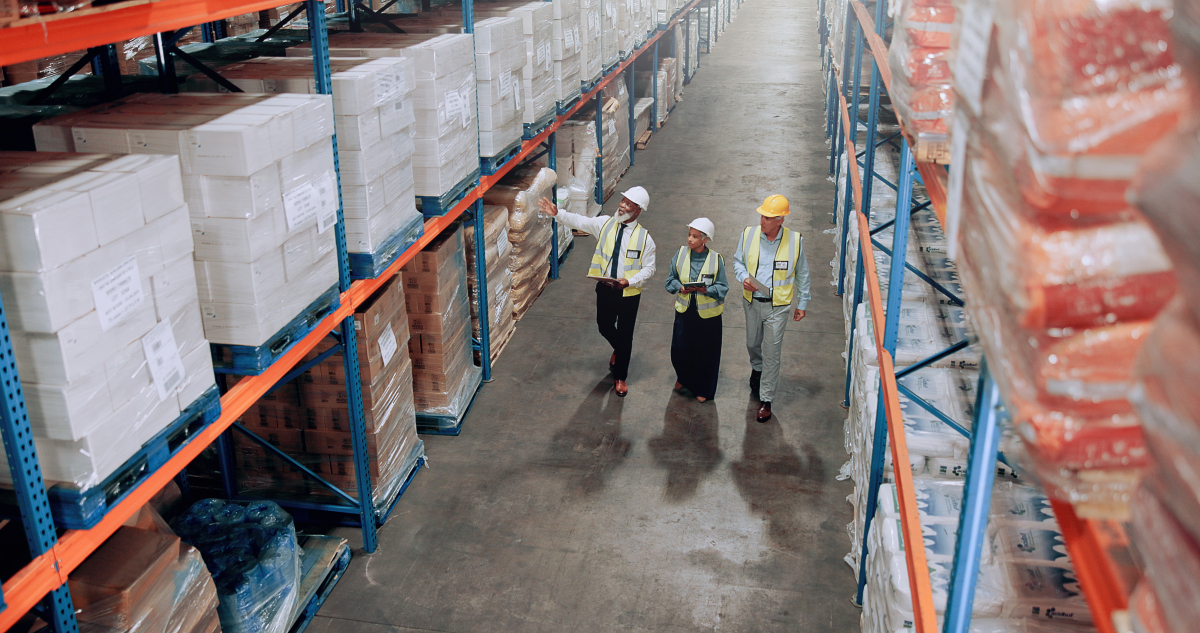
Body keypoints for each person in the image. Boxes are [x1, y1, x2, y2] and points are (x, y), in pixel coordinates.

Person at [538, 186, 657, 397]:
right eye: (623, 201)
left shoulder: (645, 239)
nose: (622, 205)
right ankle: (619, 350)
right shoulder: (604, 224)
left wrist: (629, 281)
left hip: (629, 294)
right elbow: (580, 222)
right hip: (605, 288)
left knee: (626, 335)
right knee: (604, 326)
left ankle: (620, 377)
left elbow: (650, 268)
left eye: (628, 204)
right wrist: (557, 214)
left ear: (638, 211)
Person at [732, 194, 812, 423]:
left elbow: (802, 274)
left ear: (780, 220)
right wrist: (743, 277)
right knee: (752, 343)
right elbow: (738, 261)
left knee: (772, 353)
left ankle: (766, 399)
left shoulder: (795, 241)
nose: (762, 221)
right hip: (752, 302)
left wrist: (802, 303)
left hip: (778, 307)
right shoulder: (748, 235)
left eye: (768, 217)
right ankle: (756, 368)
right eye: (762, 215)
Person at [664, 218, 728, 402]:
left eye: (695, 236)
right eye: (689, 235)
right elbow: (670, 281)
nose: (690, 239)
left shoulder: (716, 259)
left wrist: (706, 289)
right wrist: (680, 287)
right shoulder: (681, 254)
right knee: (679, 349)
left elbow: (723, 287)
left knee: (705, 353)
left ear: (705, 239)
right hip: (685, 311)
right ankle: (683, 378)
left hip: (708, 316)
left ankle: (703, 389)